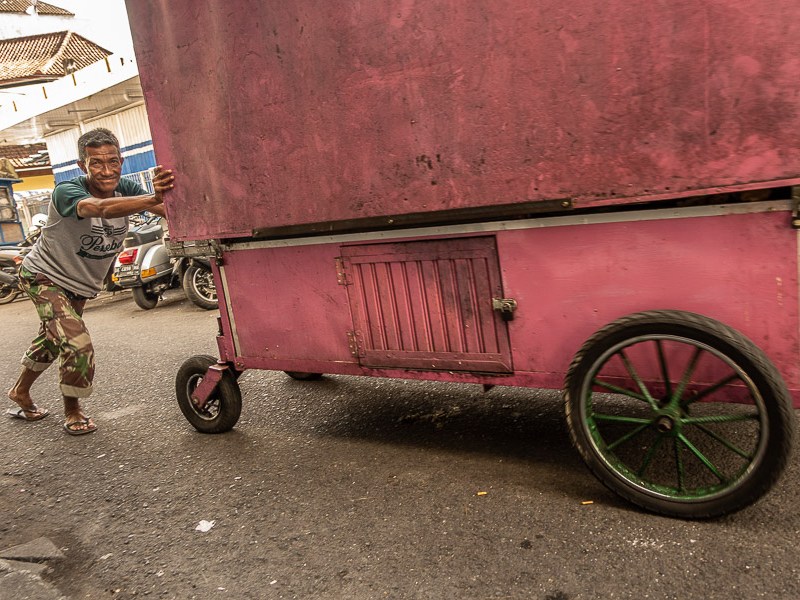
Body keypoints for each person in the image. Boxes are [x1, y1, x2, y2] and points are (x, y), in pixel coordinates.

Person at [6, 127, 174, 435]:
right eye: (96, 163)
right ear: (83, 166)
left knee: (52, 339)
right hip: (44, 275)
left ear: (121, 161)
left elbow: (165, 209)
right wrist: (151, 197)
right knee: (76, 343)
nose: (106, 170)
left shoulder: (124, 186)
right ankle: (73, 409)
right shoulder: (67, 191)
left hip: (80, 285)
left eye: (113, 161)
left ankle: (20, 391)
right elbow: (99, 208)